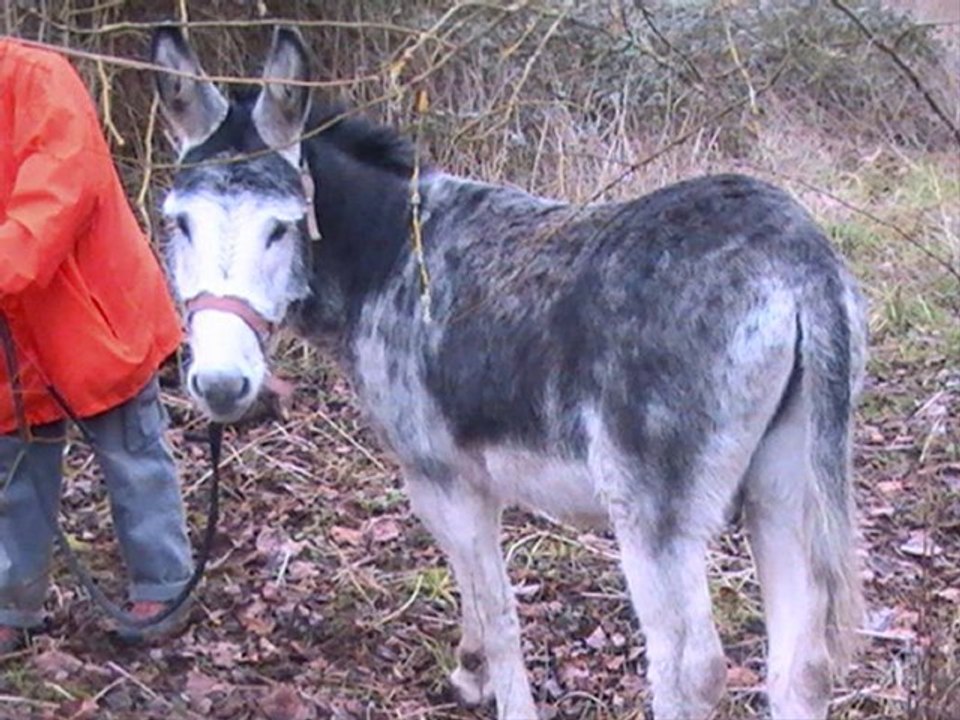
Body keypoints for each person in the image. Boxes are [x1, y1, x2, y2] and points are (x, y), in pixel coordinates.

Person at [0, 37, 194, 651]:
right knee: (13, 474)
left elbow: (57, 193)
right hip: (9, 332)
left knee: (133, 458)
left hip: (94, 314)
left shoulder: (38, 78)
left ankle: (163, 586)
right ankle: (13, 604)